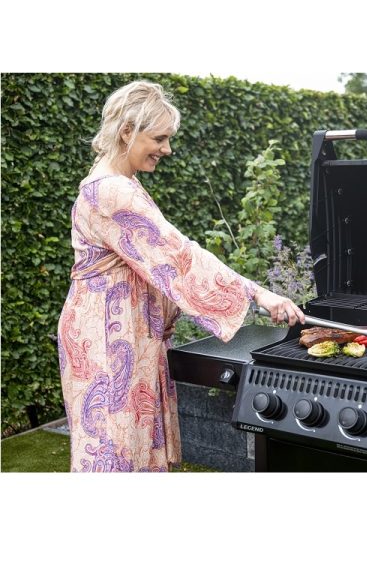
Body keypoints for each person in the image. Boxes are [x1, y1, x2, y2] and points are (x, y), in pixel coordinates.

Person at [57, 80, 305, 472]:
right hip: (108, 338)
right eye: (160, 138)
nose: (167, 149)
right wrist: (258, 293)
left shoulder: (119, 182)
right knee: (115, 453)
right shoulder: (112, 191)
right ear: (127, 131)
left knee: (131, 448)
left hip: (121, 330)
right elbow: (178, 255)